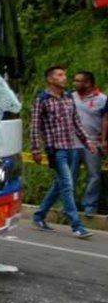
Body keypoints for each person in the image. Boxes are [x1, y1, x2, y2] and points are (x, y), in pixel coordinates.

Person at [32, 66, 95, 238]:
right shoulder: (42, 99)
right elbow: (35, 126)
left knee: (60, 185)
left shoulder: (68, 97)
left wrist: (87, 141)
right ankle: (77, 226)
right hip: (56, 150)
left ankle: (39, 215)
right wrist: (36, 149)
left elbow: (77, 123)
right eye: (60, 75)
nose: (64, 78)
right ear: (50, 79)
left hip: (71, 148)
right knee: (67, 185)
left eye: (64, 75)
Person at [71, 72, 107, 218]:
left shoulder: (102, 99)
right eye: (74, 80)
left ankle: (90, 205)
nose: (75, 83)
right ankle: (70, 205)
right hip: (72, 143)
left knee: (94, 175)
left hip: (93, 143)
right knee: (69, 175)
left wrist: (104, 140)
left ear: (88, 83)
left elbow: (106, 120)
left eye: (78, 81)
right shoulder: (70, 97)